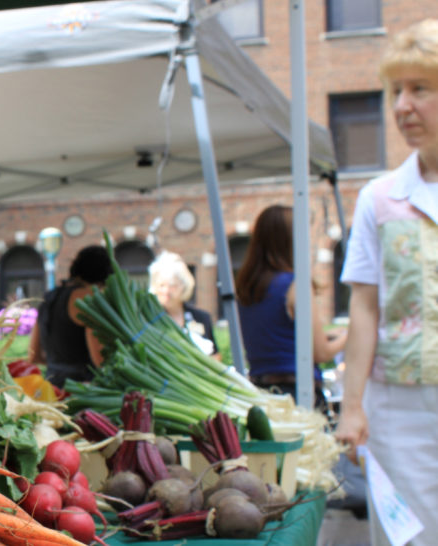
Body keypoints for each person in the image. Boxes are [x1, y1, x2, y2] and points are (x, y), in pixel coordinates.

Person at [335, 19, 438, 544]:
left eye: (421, 88)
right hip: (399, 410)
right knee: (411, 537)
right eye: (397, 90)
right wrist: (352, 407)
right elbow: (365, 308)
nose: (402, 106)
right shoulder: (379, 197)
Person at [234, 205, 346, 407]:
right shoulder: (295, 285)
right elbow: (321, 353)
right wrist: (350, 335)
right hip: (296, 394)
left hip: (261, 393)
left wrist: (328, 335)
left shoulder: (248, 287)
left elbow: (276, 335)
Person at [27, 245, 114, 388]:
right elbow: (99, 360)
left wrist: (59, 366)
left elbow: (33, 355)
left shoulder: (48, 299)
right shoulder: (89, 297)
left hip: (51, 389)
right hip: (83, 391)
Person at [148, 251, 217, 356]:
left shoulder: (201, 317)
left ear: (184, 286)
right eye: (161, 285)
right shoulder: (149, 319)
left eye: (172, 286)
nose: (166, 291)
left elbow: (215, 354)